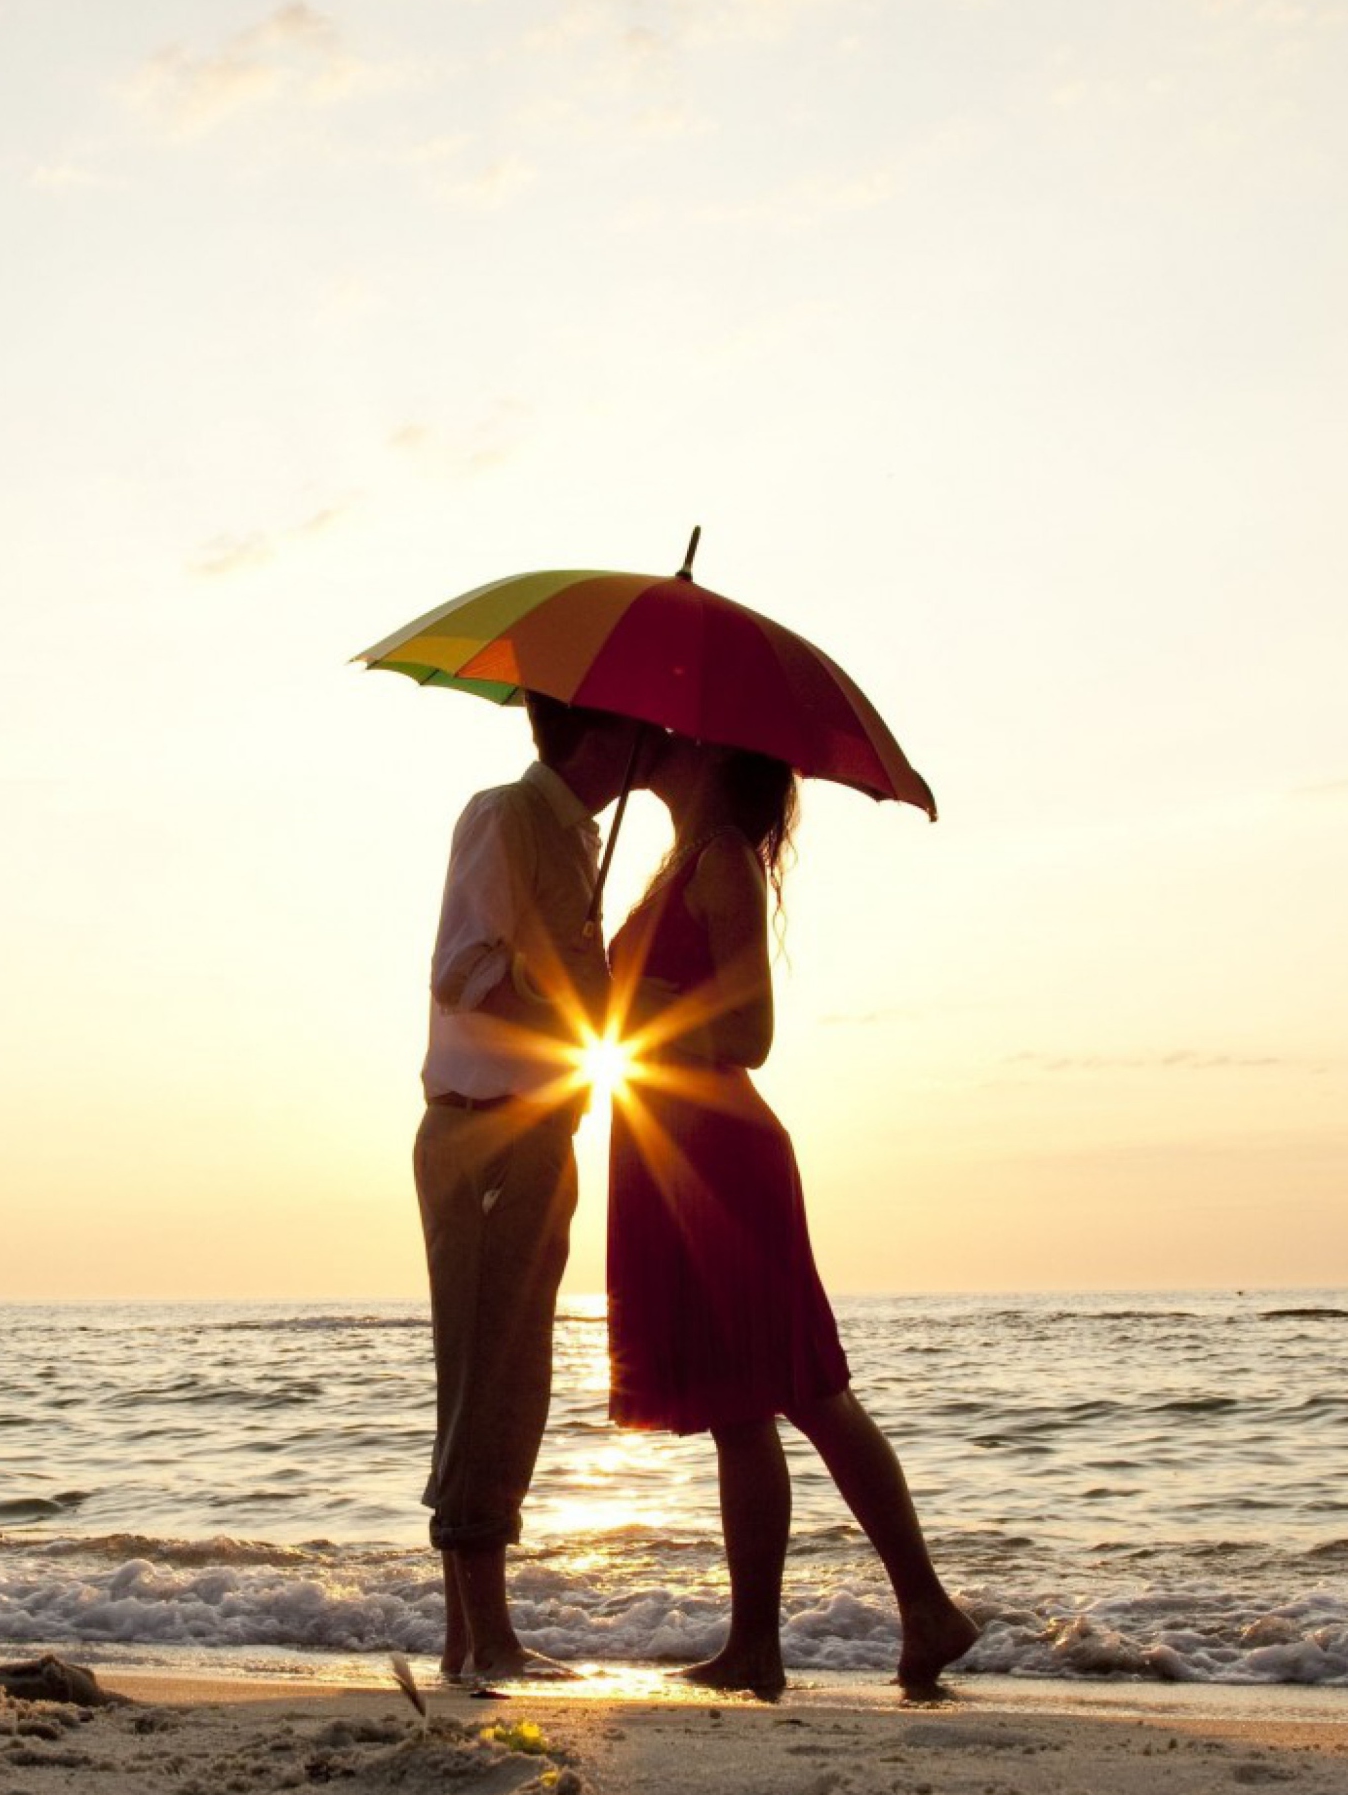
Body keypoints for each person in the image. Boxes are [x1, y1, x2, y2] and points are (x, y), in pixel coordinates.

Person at [604, 733, 979, 1699]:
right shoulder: (678, 860)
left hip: (720, 1153)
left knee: (803, 1388)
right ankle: (762, 1645)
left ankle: (918, 1609)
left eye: (675, 736)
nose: (653, 742)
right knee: (741, 1408)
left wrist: (642, 1000)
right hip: (669, 1147)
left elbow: (751, 1034)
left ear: (711, 755)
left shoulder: (722, 857)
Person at [416, 690, 640, 1686]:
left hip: (538, 1129)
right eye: (636, 729)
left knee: (519, 1376)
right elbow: (463, 965)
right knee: (485, 1375)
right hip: (483, 1129)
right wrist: (568, 1007)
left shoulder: (577, 839)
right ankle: (484, 1635)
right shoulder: (506, 814)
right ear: (592, 734)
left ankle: (473, 1639)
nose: (649, 747)